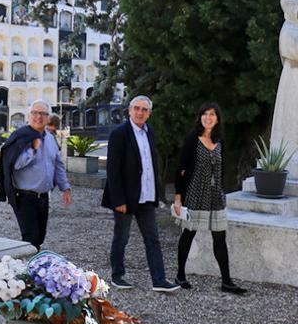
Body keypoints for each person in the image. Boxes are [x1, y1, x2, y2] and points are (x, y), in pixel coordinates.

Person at [101, 95, 178, 292]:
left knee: (153, 238)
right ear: (129, 110)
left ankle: (159, 280)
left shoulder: (149, 132)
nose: (140, 112)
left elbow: (151, 164)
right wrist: (118, 199)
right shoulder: (120, 134)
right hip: (125, 198)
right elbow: (113, 169)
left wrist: (157, 194)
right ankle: (117, 276)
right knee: (122, 237)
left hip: (146, 196)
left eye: (144, 110)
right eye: (137, 108)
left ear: (149, 114)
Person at [173, 103, 246, 294]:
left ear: (217, 118)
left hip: (215, 195)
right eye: (204, 114)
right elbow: (180, 169)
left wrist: (221, 190)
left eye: (212, 114)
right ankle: (180, 275)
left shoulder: (220, 140)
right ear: (200, 118)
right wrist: (178, 198)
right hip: (195, 193)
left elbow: (222, 169)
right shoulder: (192, 139)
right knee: (189, 233)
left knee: (220, 237)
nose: (208, 117)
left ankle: (227, 281)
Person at [0, 100, 71, 251]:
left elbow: (58, 165)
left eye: (43, 113)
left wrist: (65, 187)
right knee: (31, 238)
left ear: (48, 117)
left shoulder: (50, 138)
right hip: (23, 197)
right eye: (35, 113)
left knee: (40, 236)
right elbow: (14, 164)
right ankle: (29, 270)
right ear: (30, 115)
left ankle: (32, 267)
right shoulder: (21, 136)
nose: (39, 117)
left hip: (43, 197)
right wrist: (33, 150)